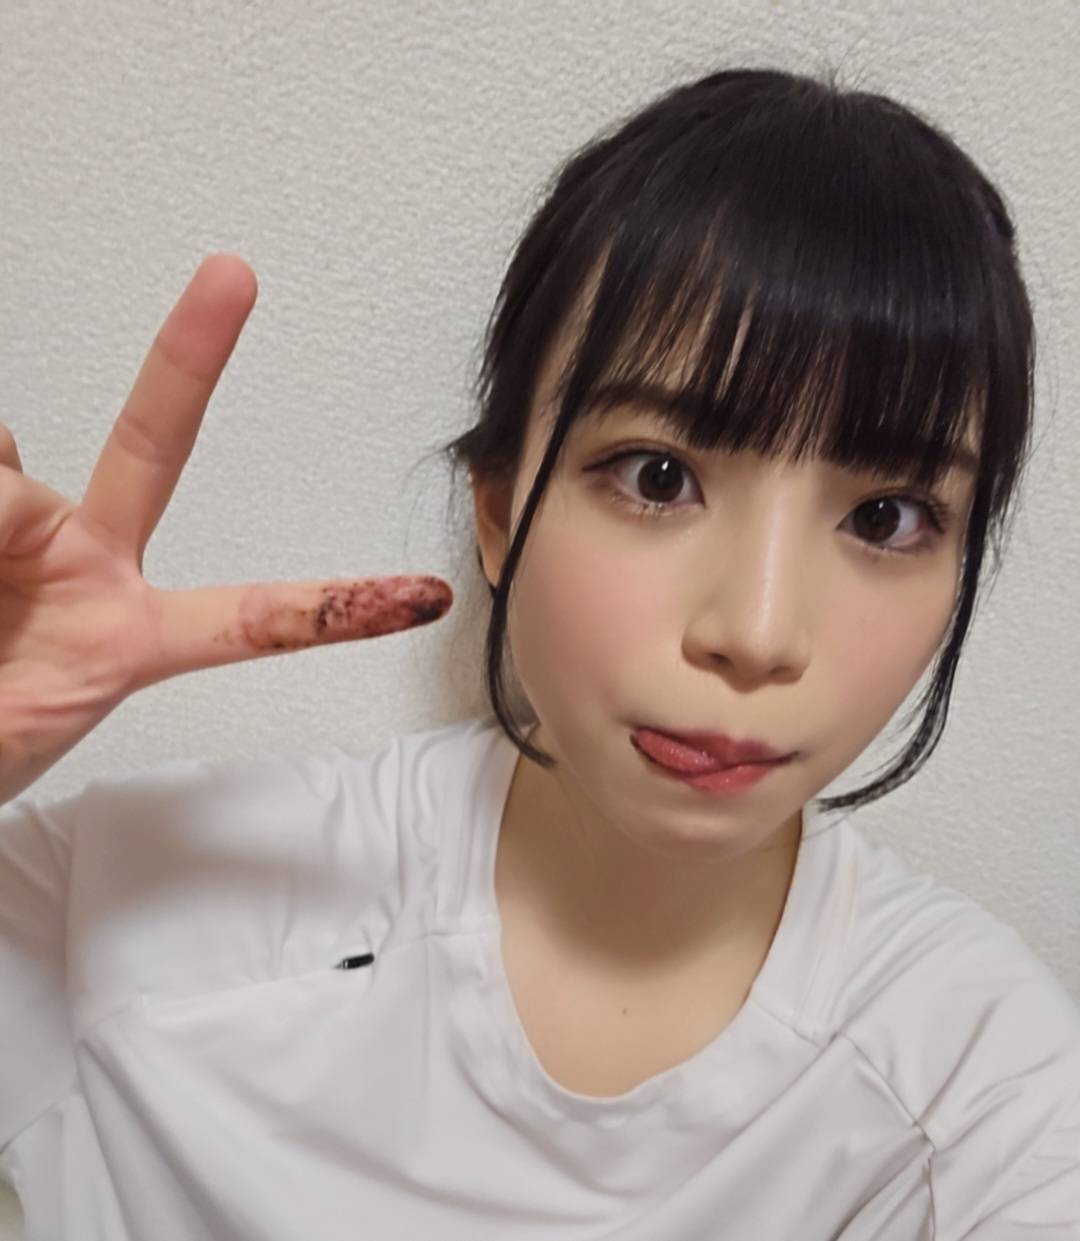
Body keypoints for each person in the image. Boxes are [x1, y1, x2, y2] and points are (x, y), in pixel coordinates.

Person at [0, 65, 1077, 1240]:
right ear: (501, 513)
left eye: (886, 517)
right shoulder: (142, 909)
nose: (758, 632)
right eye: (659, 476)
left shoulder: (981, 1091)